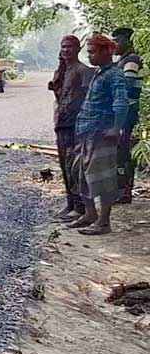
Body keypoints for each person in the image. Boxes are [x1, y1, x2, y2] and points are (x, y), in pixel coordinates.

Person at [68, 34, 129, 235]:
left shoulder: (115, 75)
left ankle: (104, 222)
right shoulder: (99, 73)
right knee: (81, 175)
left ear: (106, 52)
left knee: (102, 178)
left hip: (102, 134)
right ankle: (90, 214)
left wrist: (116, 128)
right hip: (87, 132)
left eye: (93, 52)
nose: (90, 56)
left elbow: (120, 103)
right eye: (89, 52)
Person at [47, 35, 94, 220]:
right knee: (64, 166)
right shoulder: (63, 71)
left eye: (69, 47)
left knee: (75, 167)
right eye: (63, 47)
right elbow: (61, 98)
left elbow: (90, 100)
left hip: (77, 125)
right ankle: (71, 203)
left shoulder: (83, 71)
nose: (66, 50)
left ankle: (81, 206)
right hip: (62, 123)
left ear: (78, 49)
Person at [112, 28, 142, 204]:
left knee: (123, 152)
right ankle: (120, 189)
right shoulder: (123, 61)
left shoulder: (131, 61)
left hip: (127, 113)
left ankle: (124, 191)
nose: (115, 44)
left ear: (128, 41)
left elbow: (127, 87)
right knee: (119, 152)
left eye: (117, 40)